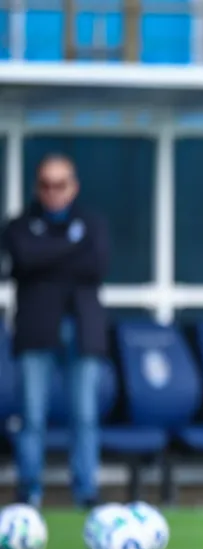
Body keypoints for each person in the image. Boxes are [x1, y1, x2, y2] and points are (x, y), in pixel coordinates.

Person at [1, 154, 110, 509]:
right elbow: (25, 259)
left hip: (83, 329)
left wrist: (47, 254)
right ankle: (29, 492)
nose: (53, 192)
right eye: (46, 185)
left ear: (73, 187)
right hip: (36, 330)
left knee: (85, 416)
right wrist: (71, 247)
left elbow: (96, 265)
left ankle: (86, 491)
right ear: (37, 188)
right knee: (32, 415)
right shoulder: (19, 225)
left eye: (60, 184)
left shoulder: (92, 223)